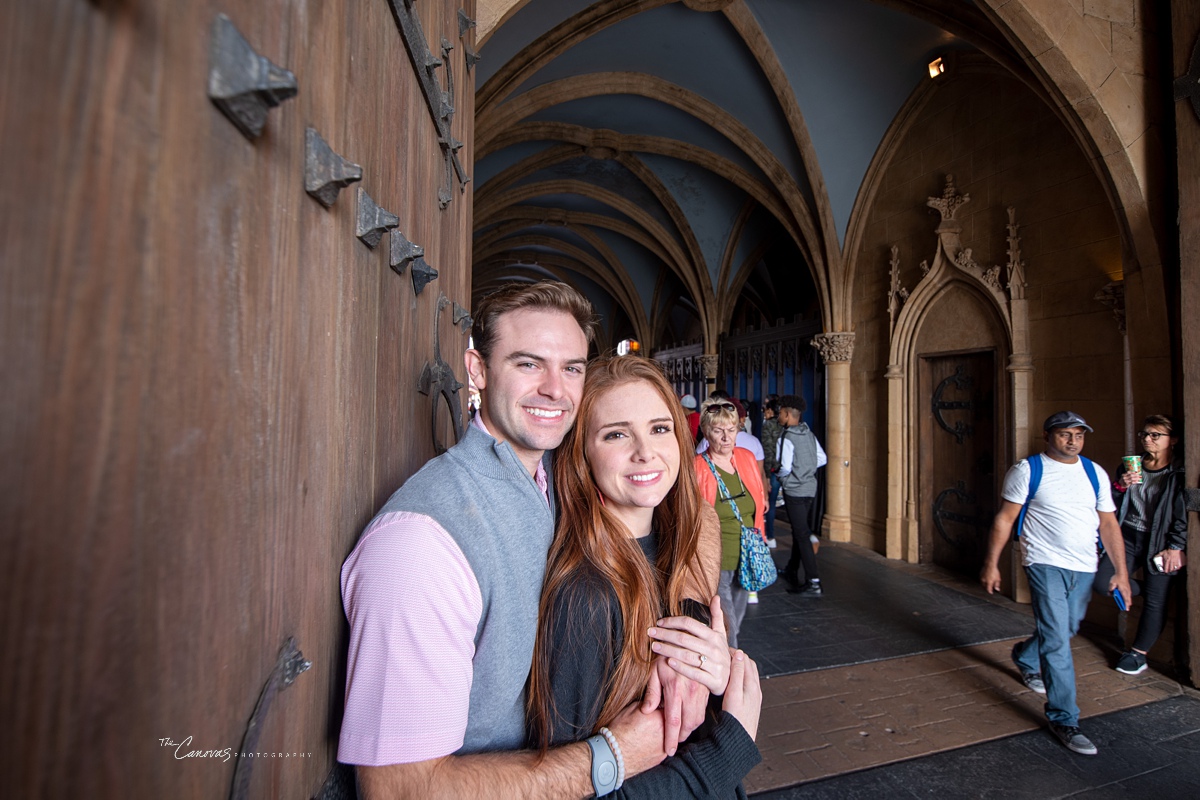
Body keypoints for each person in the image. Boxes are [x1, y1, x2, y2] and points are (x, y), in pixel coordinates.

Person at [338, 282, 707, 797]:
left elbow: (680, 518)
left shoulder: (562, 472)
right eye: (529, 364)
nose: (556, 389)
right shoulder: (419, 547)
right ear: (478, 370)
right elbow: (400, 790)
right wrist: (611, 758)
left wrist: (685, 645)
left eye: (572, 368)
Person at [528, 355, 764, 797]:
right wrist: (731, 743)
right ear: (581, 451)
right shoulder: (586, 594)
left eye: (659, 428)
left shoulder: (678, 551)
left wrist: (717, 680)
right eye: (616, 434)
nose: (645, 451)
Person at [980, 411, 1131, 757]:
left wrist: (1121, 572)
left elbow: (1108, 524)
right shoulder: (1028, 470)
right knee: (1057, 640)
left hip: (1084, 565)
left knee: (1067, 628)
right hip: (1043, 562)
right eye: (1065, 434)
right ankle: (1065, 717)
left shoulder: (1095, 473)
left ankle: (1024, 654)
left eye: (1079, 434)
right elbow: (1005, 519)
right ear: (1048, 435)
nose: (1073, 440)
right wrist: (992, 563)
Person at [1093, 414, 1188, 675]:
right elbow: (1110, 502)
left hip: (1161, 542)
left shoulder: (1179, 473)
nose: (1147, 439)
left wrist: (1176, 546)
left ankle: (1138, 654)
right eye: (1144, 434)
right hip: (1129, 536)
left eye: (1155, 435)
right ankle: (1146, 588)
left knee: (1157, 604)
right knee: (1102, 583)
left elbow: (1183, 514)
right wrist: (1120, 486)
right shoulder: (1130, 467)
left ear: (1173, 440)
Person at [695, 397, 768, 648]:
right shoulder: (697, 468)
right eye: (718, 431)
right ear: (706, 432)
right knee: (726, 621)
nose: (726, 437)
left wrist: (761, 540)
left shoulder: (746, 458)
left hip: (746, 553)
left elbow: (757, 503)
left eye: (731, 429)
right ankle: (729, 675)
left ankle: (728, 660)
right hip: (715, 556)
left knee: (737, 616)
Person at [775, 395, 826, 596]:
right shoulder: (809, 434)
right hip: (809, 490)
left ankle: (814, 582)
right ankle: (792, 569)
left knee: (802, 535)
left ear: (788, 415)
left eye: (780, 413)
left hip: (794, 491)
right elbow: (822, 458)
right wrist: (805, 470)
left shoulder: (786, 437)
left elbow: (785, 467)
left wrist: (784, 479)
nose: (779, 416)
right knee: (800, 531)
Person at [758, 396, 783, 550]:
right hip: (786, 471)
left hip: (773, 471)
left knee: (770, 505)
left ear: (770, 410)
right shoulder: (785, 426)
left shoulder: (768, 426)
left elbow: (767, 451)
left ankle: (771, 536)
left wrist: (766, 475)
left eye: (766, 410)